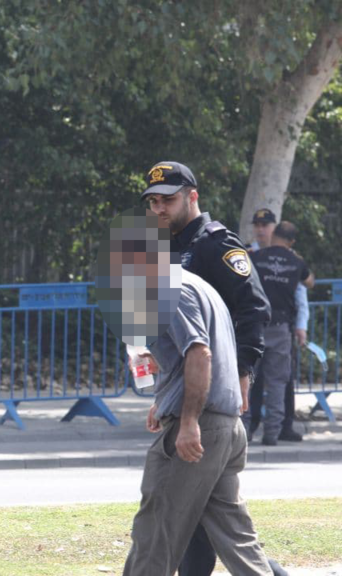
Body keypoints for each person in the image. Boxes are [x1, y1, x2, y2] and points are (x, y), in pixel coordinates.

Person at [142, 162, 286, 576]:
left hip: (212, 402)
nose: (159, 209)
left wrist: (244, 373)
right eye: (153, 202)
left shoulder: (213, 244)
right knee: (213, 529)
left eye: (167, 199)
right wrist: (165, 394)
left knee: (195, 530)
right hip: (190, 397)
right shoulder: (166, 249)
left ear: (192, 196)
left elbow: (254, 307)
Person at [119, 236, 272, 576]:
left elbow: (199, 353)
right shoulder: (198, 286)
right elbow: (197, 353)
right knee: (236, 537)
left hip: (200, 425)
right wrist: (164, 398)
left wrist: (187, 420)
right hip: (226, 426)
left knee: (156, 527)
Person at [245, 222, 315, 446]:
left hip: (255, 324)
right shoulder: (296, 261)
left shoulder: (255, 256)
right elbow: (309, 281)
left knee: (246, 377)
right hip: (280, 327)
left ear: (273, 234)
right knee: (277, 382)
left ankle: (244, 429)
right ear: (292, 242)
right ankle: (272, 433)